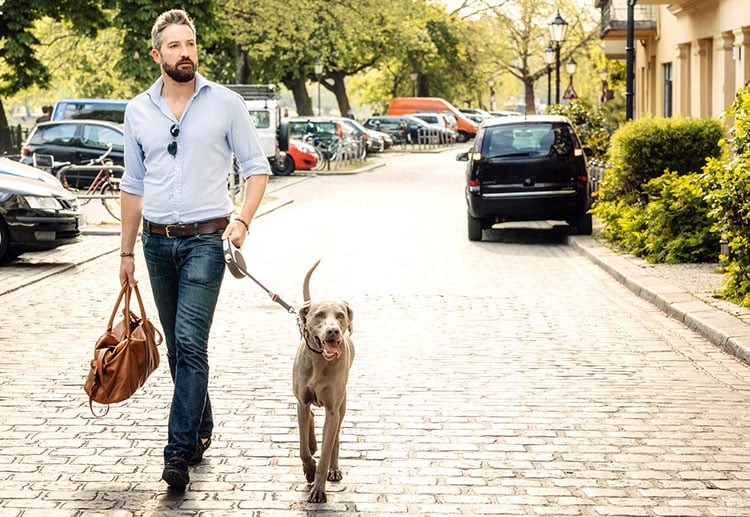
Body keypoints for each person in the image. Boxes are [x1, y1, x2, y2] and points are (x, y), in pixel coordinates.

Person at [118, 9, 271, 491]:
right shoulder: (137, 110)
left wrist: (242, 221)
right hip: (156, 243)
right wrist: (125, 255)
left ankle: (177, 454)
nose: (185, 52)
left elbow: (256, 167)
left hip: (209, 238)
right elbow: (132, 184)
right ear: (156, 54)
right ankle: (201, 427)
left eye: (191, 43)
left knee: (189, 342)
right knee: (183, 351)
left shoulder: (226, 103)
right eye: (175, 45)